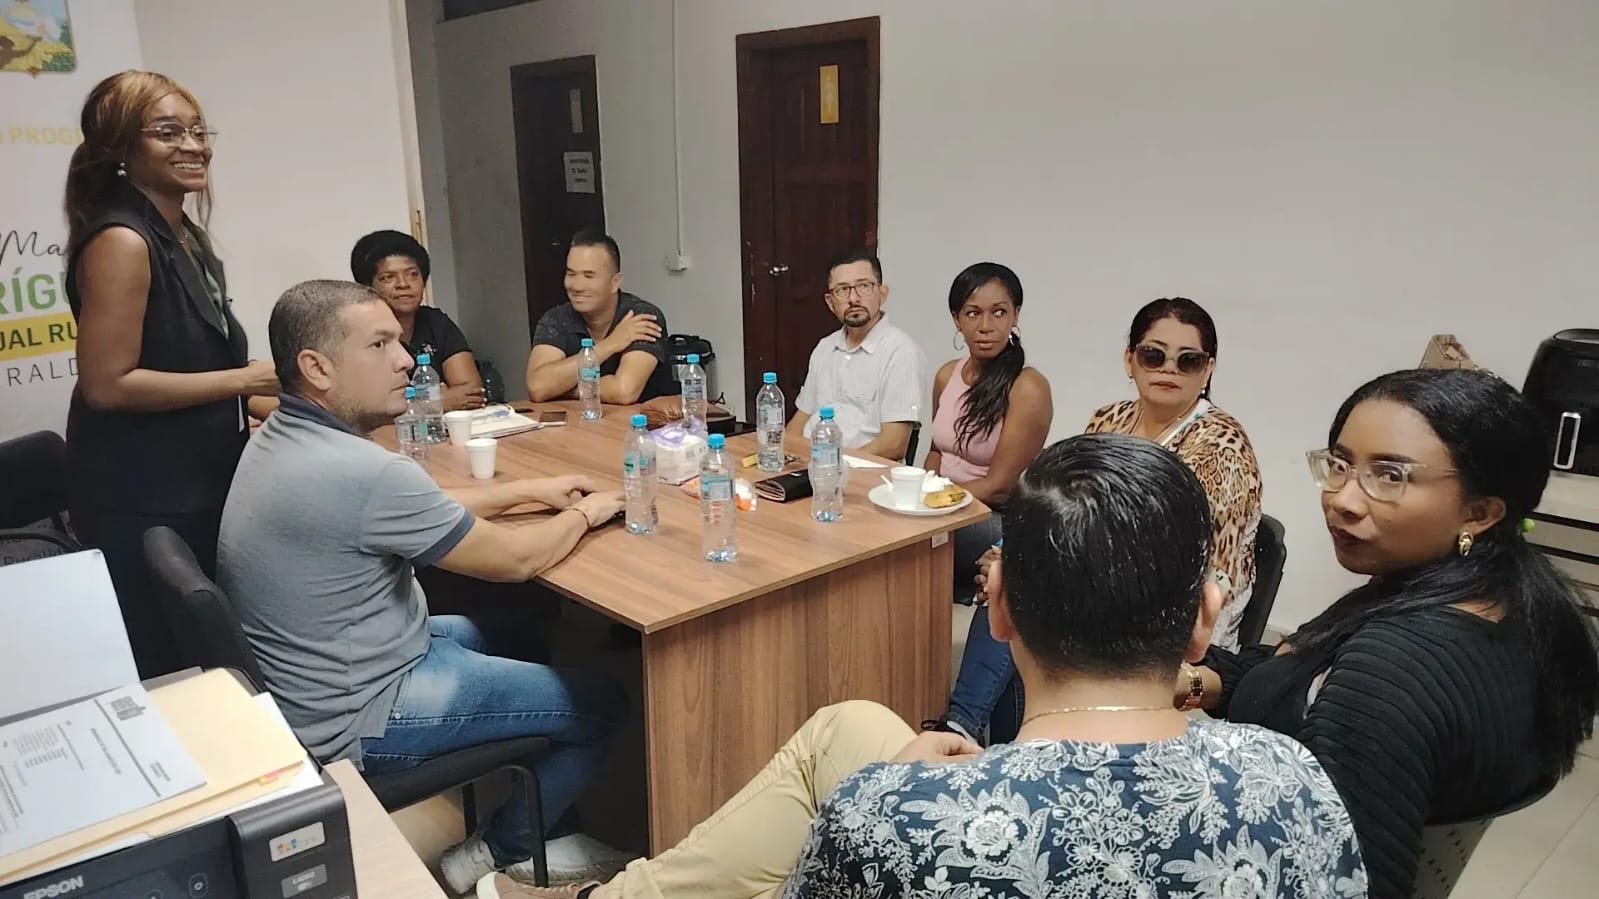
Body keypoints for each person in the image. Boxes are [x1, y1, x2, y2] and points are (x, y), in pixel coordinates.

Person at [478, 434, 1366, 898]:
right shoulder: (1295, 781)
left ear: (997, 606)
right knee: (851, 724)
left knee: (838, 769)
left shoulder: (890, 818)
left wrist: (894, 792)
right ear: (1203, 618)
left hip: (934, 804)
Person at [218, 281, 635, 890]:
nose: (406, 359)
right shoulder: (358, 469)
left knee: (520, 632)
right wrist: (586, 513)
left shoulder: (282, 436)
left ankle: (542, 808)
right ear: (317, 368)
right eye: (379, 344)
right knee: (604, 704)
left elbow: (413, 505)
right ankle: (503, 848)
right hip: (363, 713)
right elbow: (517, 560)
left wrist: (530, 491)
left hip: (334, 673)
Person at [1190, 368, 1599, 899]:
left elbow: (1339, 883)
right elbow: (1300, 672)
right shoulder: (1503, 599)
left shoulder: (1391, 667)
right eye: (1340, 465)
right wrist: (1197, 681)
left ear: (1480, 512)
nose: (1342, 498)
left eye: (1390, 476)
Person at [934, 297, 1264, 743]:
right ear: (1130, 360)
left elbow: (1161, 559)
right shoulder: (1111, 418)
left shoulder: (1220, 446)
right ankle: (985, 735)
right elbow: (1068, 507)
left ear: (1207, 370)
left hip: (1176, 610)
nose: (1168, 369)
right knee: (1012, 586)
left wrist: (1036, 566)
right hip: (1098, 582)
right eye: (1154, 355)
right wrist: (1012, 552)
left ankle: (964, 733)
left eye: (1188, 361)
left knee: (1029, 595)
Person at [62, 70, 278, 677]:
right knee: (175, 672)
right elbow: (108, 385)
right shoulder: (124, 241)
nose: (193, 145)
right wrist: (245, 381)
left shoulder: (184, 235)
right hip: (140, 498)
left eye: (198, 131)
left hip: (194, 483)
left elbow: (195, 361)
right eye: (168, 132)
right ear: (122, 148)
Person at [924, 262, 1052, 583]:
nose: (986, 326)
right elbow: (936, 451)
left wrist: (932, 505)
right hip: (945, 510)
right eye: (973, 313)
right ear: (956, 319)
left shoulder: (1028, 386)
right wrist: (922, 491)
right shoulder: (947, 375)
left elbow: (1000, 487)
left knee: (905, 544)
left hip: (996, 519)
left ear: (1015, 315)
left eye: (998, 312)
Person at [784, 249, 927, 461]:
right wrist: (782, 455)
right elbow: (799, 423)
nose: (853, 298)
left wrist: (833, 464)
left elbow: (894, 445)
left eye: (863, 286)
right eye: (842, 290)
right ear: (830, 302)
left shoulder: (901, 352)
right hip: (811, 465)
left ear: (882, 293)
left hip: (864, 471)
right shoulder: (825, 348)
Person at [526, 230, 676, 404]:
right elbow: (538, 387)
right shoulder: (557, 319)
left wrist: (562, 389)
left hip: (644, 420)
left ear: (615, 282)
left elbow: (624, 391)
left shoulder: (641, 316)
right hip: (579, 418)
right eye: (571, 274)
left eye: (589, 276)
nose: (577, 286)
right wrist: (610, 344)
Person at [351, 228, 486, 411]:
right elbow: (366, 409)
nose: (403, 284)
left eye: (412, 274)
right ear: (367, 287)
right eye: (388, 277)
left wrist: (413, 406)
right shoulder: (358, 332)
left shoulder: (436, 322)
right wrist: (435, 403)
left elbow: (472, 393)